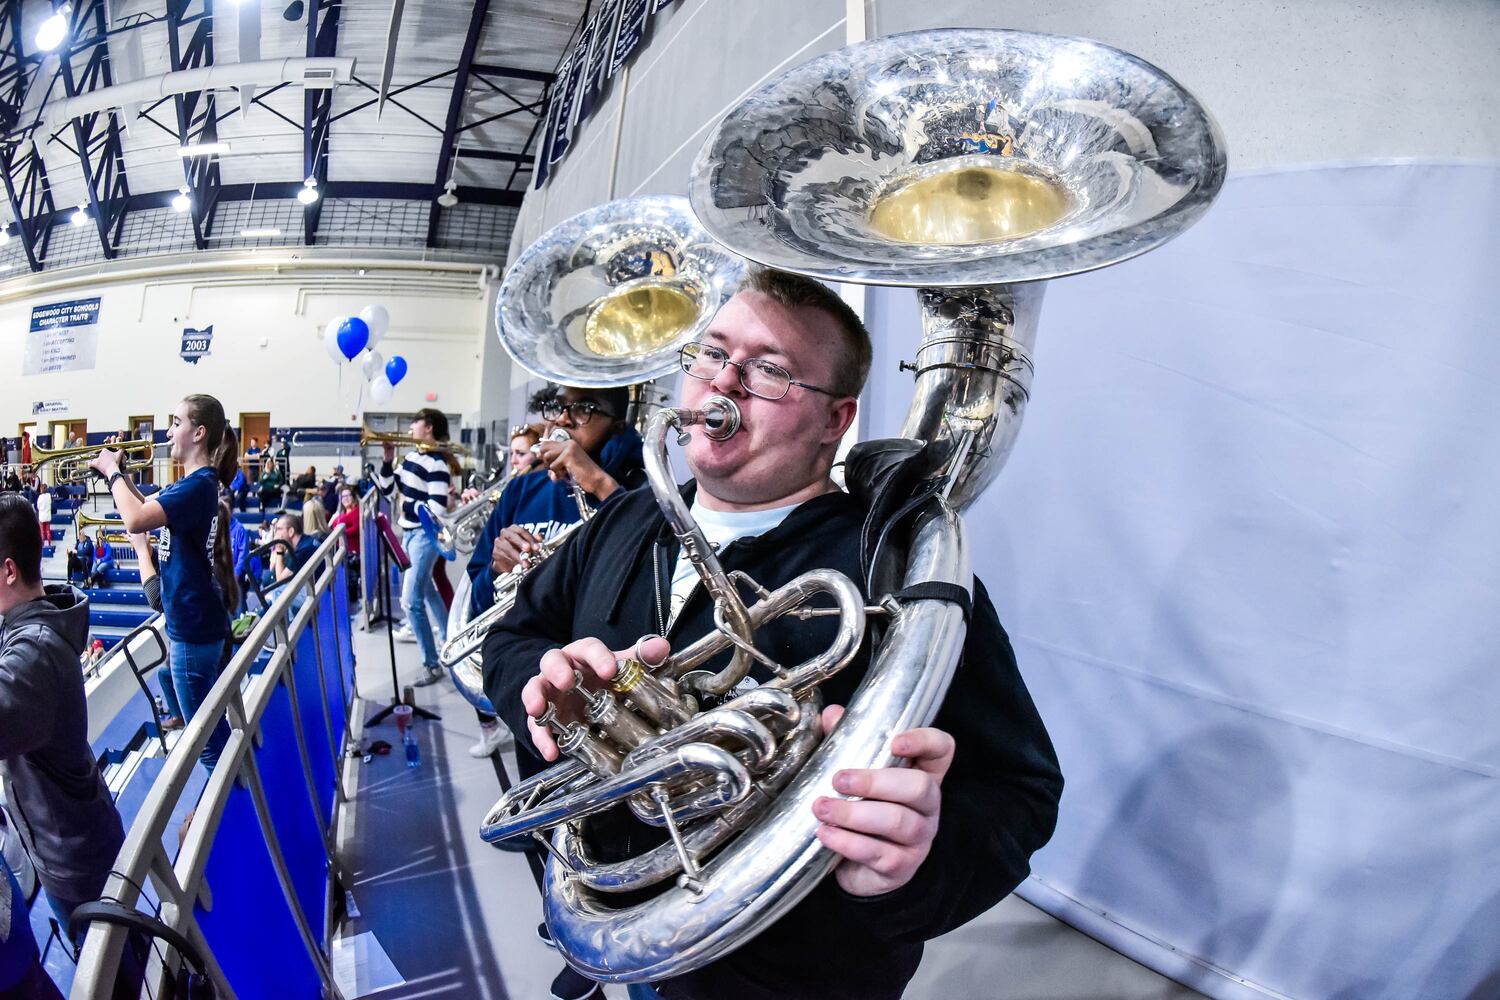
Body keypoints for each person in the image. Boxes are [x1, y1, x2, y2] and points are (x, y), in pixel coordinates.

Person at [483, 268, 1062, 1000]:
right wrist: (543, 684)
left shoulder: (896, 569)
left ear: (835, 420)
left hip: (790, 978)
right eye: (712, 353)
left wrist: (917, 862)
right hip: (618, 933)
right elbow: (513, 638)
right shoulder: (626, 519)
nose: (723, 382)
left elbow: (1021, 790)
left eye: (771, 371)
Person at [463, 389, 645, 763]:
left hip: (616, 699)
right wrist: (498, 567)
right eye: (557, 407)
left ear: (619, 424)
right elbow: (478, 596)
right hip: (538, 688)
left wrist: (599, 485)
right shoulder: (521, 489)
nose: (562, 419)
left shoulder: (641, 491)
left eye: (584, 409)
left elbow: (647, 579)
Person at [0, 495, 134, 983]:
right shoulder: (34, 626)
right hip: (77, 841)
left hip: (73, 860)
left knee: (113, 975)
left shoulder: (32, 654)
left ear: (9, 569)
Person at [90, 395, 238, 773]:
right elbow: (144, 504)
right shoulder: (195, 484)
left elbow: (137, 519)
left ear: (198, 433)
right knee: (210, 730)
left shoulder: (199, 485)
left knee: (203, 742)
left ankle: (223, 814)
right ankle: (235, 792)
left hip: (191, 630)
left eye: (176, 423)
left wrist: (111, 473)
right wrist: (122, 474)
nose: (169, 432)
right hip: (195, 624)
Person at [373, 410, 453, 687]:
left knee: (410, 601)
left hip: (424, 536)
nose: (409, 427)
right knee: (427, 591)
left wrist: (409, 505)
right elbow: (386, 489)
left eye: (415, 422)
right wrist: (386, 459)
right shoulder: (409, 458)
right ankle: (448, 639)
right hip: (407, 533)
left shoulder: (438, 464)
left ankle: (432, 665)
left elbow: (438, 508)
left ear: (428, 428)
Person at [328, 486, 361, 603]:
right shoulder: (341, 513)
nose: (345, 498)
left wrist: (340, 533)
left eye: (348, 495)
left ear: (353, 497)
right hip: (340, 549)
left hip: (352, 552)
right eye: (343, 496)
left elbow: (356, 529)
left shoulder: (356, 511)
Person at [34, 482, 50, 548]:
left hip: (42, 516)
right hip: (48, 515)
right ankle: (49, 543)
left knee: (42, 531)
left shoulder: (40, 497)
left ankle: (43, 544)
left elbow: (38, 506)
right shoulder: (49, 496)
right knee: (48, 530)